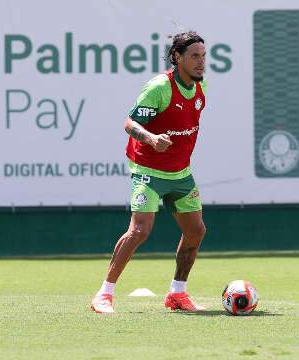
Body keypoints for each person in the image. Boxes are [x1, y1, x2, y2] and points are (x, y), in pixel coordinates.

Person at [91, 31, 208, 314]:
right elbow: (129, 124)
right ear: (177, 57)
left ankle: (177, 294)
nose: (201, 62)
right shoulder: (160, 87)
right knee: (140, 230)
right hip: (148, 169)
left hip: (180, 174)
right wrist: (151, 139)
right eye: (194, 56)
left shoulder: (198, 90)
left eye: (203, 56)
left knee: (196, 232)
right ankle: (104, 294)